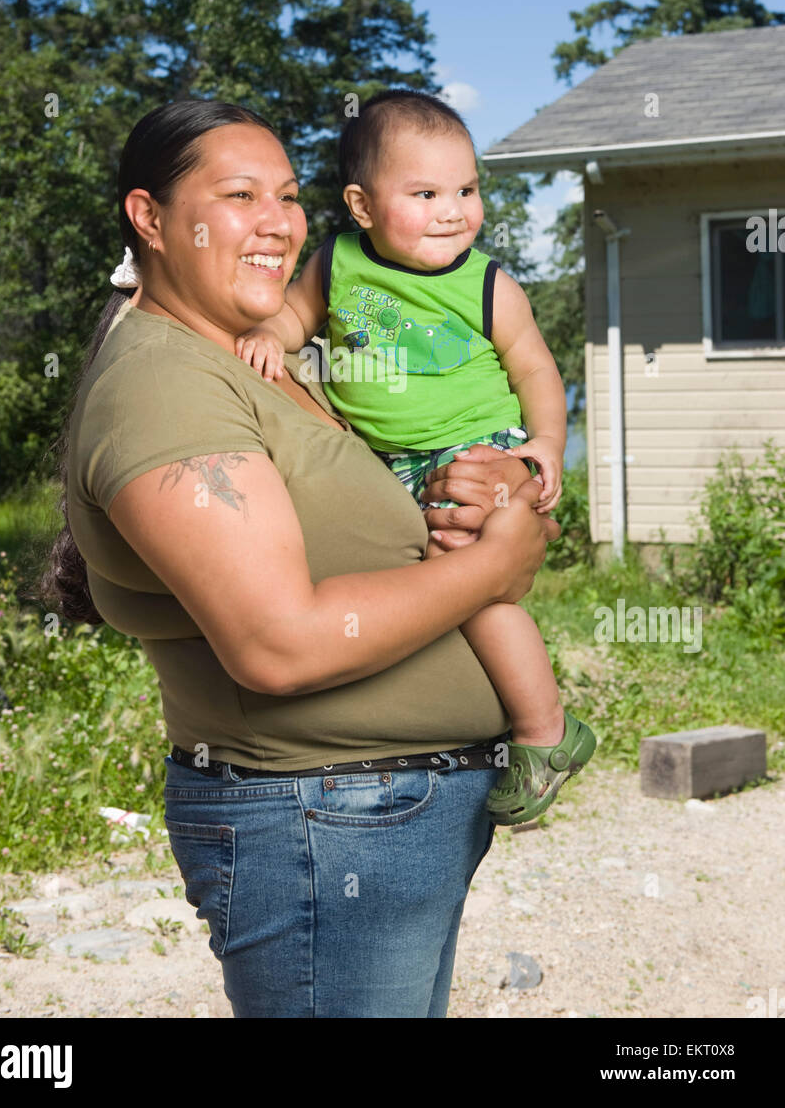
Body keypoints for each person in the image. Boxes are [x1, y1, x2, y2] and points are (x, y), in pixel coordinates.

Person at [44, 98, 559, 1019]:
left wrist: (497, 493)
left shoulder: (263, 360)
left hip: (374, 820)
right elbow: (276, 645)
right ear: (149, 218)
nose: (279, 221)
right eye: (239, 194)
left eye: (287, 194)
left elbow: (399, 522)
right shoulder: (166, 385)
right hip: (323, 827)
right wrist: (493, 570)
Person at [235, 90, 596, 825]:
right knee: (405, 585)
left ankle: (545, 729)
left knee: (472, 585)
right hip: (390, 462)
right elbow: (293, 317)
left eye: (466, 190)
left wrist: (545, 447)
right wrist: (272, 337)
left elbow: (535, 371)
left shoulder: (487, 283)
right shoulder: (335, 264)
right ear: (362, 207)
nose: (452, 210)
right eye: (425, 192)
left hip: (477, 451)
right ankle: (442, 725)